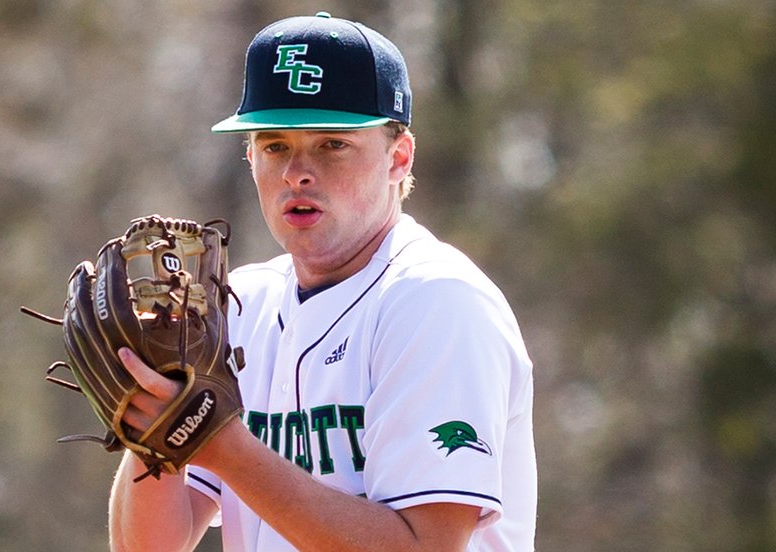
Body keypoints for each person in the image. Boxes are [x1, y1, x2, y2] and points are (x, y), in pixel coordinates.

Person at [108, 11, 536, 551]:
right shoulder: (241, 305)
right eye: (275, 145)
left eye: (332, 143)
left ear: (397, 158)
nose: (296, 173)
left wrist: (222, 445)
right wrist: (154, 419)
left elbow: (427, 546)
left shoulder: (437, 301)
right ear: (250, 158)